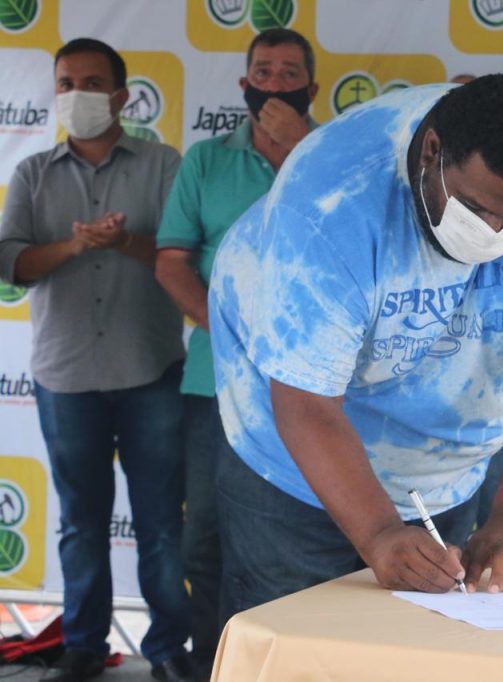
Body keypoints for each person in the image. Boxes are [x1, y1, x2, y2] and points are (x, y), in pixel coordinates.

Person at [208, 74, 503, 619]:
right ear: (432, 151)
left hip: (445, 470)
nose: (493, 232)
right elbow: (306, 403)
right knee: (296, 639)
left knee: (422, 639)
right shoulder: (329, 199)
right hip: (295, 467)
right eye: (475, 208)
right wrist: (379, 534)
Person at [0, 39, 193, 682]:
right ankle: (83, 644)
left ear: (120, 96)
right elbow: (12, 263)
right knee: (80, 523)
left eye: (90, 83)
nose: (75, 94)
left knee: (161, 524)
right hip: (66, 377)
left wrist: (124, 240)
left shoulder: (164, 164)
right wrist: (76, 247)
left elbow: (180, 253)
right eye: (65, 83)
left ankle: (167, 648)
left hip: (151, 371)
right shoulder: (32, 172)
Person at [153, 28, 318, 679]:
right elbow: (171, 262)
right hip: (216, 383)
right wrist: (226, 333)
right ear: (244, 84)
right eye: (264, 71)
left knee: (309, 538)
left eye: (289, 73)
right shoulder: (206, 160)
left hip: (321, 388)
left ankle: (294, 665)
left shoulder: (337, 153)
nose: (275, 83)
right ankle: (213, 664)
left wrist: (302, 149)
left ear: (312, 87)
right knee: (205, 538)